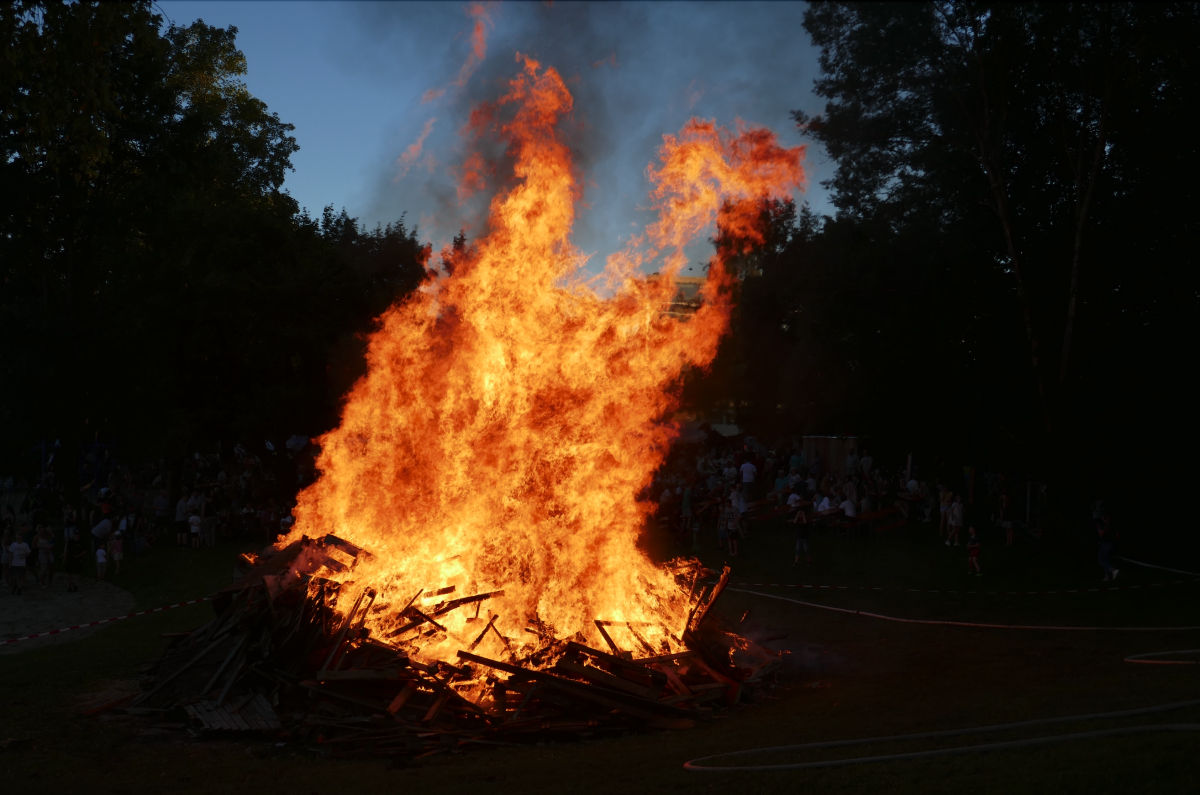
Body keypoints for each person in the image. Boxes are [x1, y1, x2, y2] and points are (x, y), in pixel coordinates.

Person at [1096, 512, 1119, 582]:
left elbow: (1101, 534)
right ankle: (1107, 577)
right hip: (1112, 544)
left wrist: (1098, 528)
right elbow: (1117, 535)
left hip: (1106, 544)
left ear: (1103, 518)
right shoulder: (1112, 525)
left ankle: (1113, 570)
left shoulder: (1104, 525)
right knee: (1106, 561)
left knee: (1101, 560)